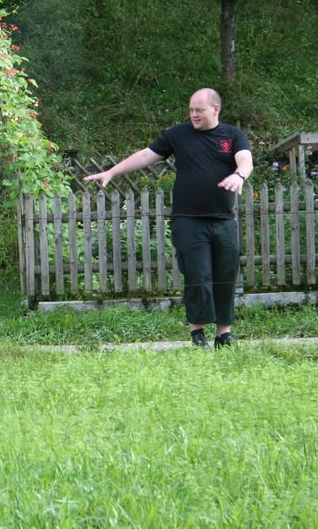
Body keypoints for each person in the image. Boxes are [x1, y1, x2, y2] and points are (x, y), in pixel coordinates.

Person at [83, 88, 253, 348]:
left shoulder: (232, 135)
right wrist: (111, 172)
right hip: (188, 220)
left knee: (225, 275)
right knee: (198, 275)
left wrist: (239, 175)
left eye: (199, 110)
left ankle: (224, 334)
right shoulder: (179, 134)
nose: (193, 114)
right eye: (191, 110)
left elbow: (245, 160)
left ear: (215, 109)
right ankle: (197, 333)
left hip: (223, 220)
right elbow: (145, 155)